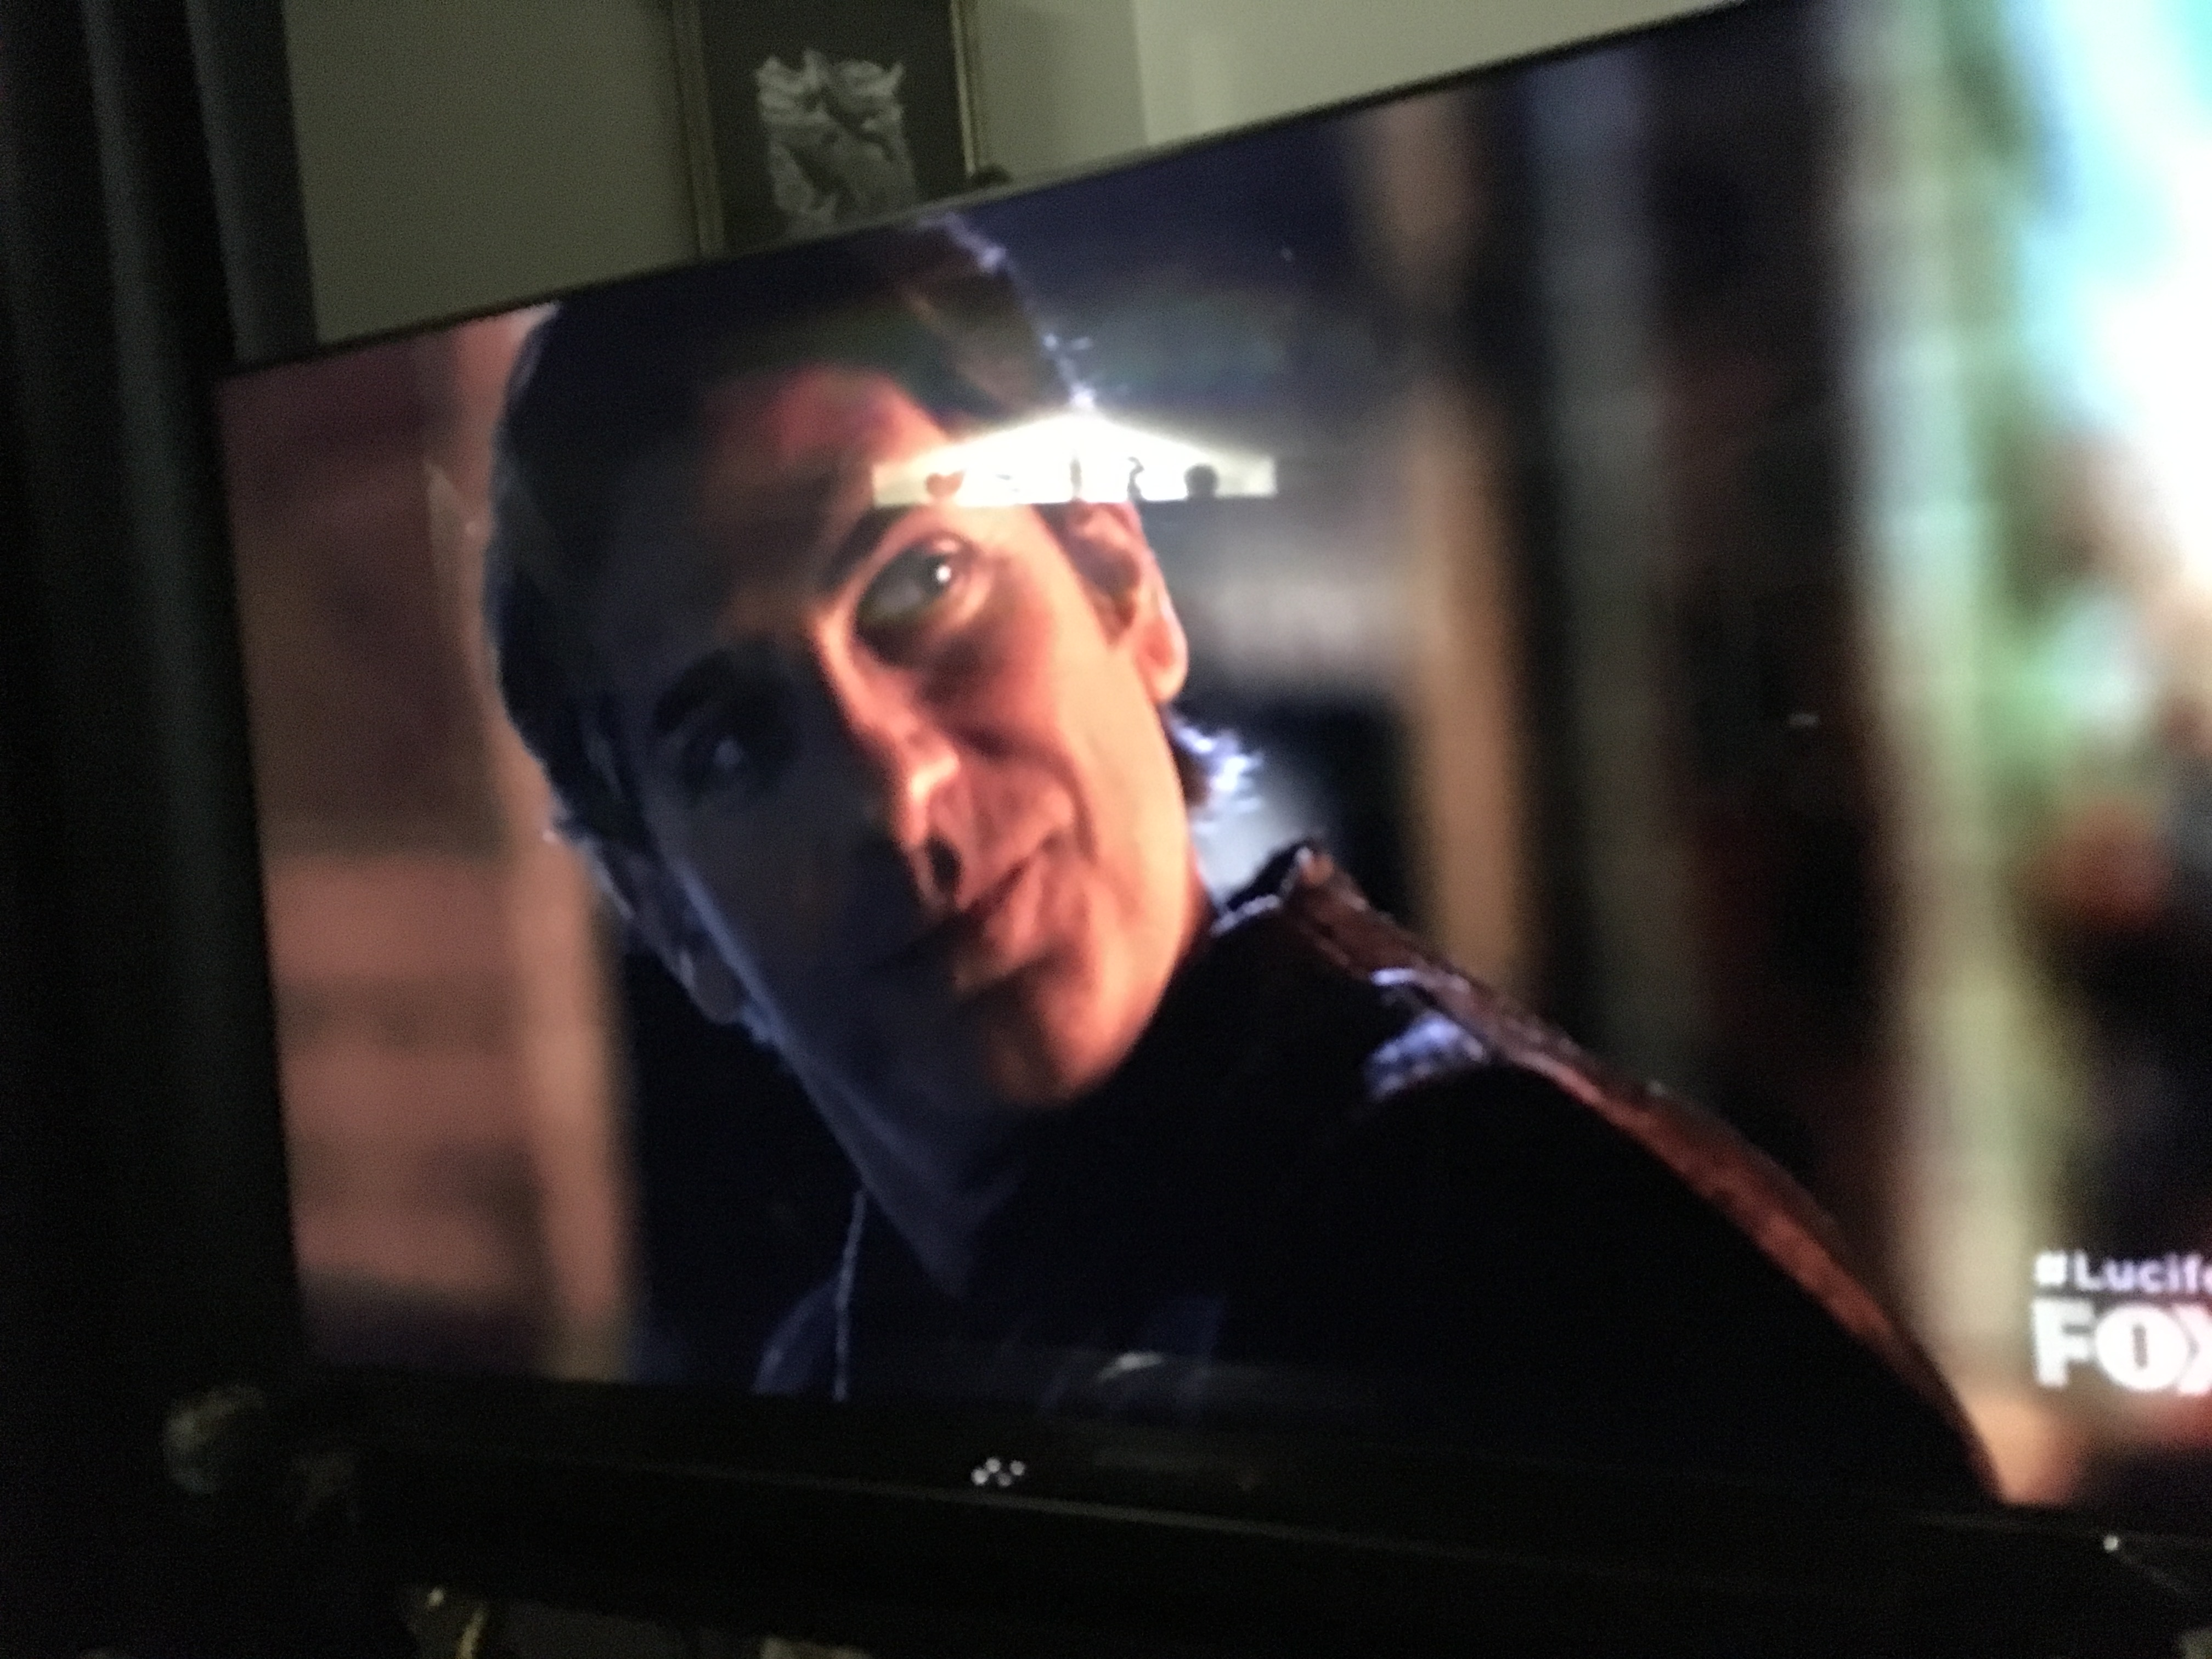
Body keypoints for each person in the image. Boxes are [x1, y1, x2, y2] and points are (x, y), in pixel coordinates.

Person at [482, 219, 1992, 1497]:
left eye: (921, 581)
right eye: (730, 741)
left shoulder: (1543, 1260)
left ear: (1122, 583)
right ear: (665, 911)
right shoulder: (826, 1410)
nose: (898, 792)